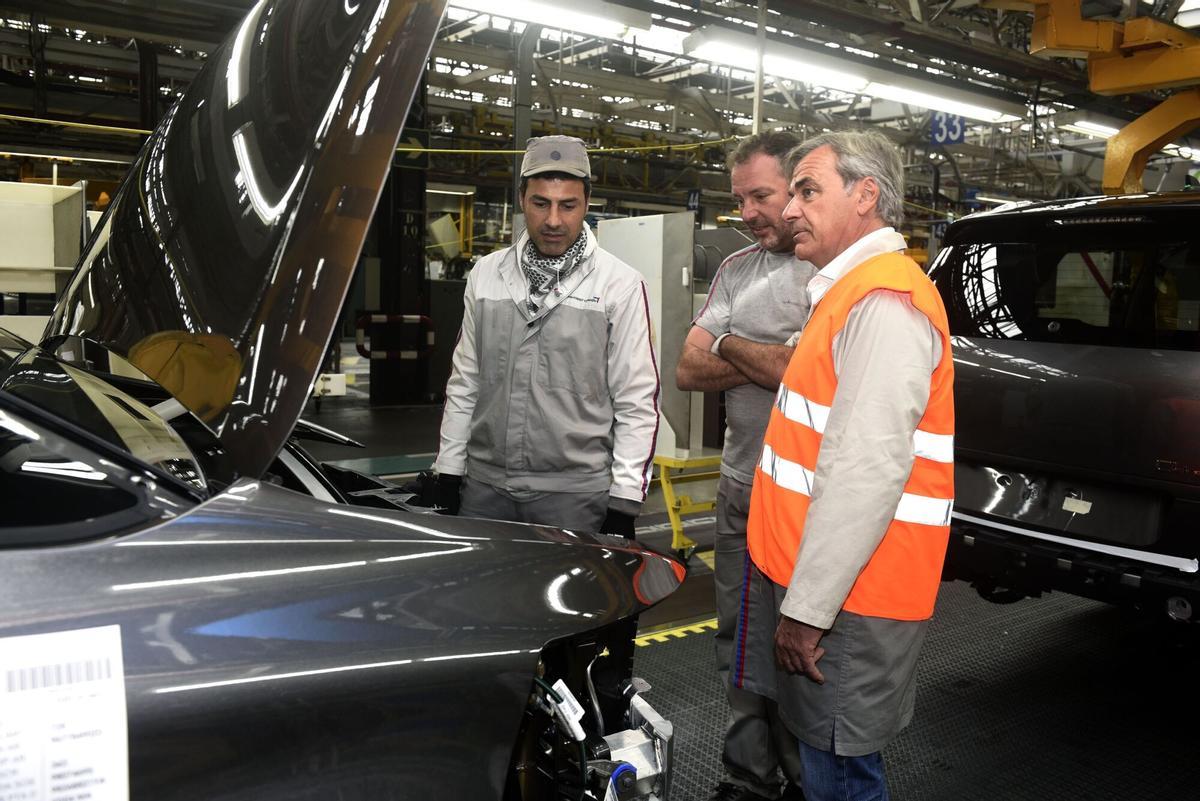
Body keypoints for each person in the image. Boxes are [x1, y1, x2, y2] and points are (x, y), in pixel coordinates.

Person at [739, 129, 955, 801]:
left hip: (851, 601)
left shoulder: (884, 303)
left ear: (866, 195)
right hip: (831, 587)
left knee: (838, 775)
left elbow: (865, 472)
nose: (791, 209)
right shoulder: (846, 292)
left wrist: (807, 611)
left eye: (808, 190)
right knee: (824, 763)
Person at [676, 131, 815, 801]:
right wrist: (759, 352)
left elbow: (801, 374)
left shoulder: (829, 270)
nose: (750, 212)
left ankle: (799, 777)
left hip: (803, 497)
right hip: (739, 487)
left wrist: (729, 342)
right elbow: (685, 366)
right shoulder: (736, 269)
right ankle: (746, 776)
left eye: (761, 194)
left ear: (801, 187)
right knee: (737, 636)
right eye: (740, 200)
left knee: (797, 643)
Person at [432, 135, 660, 536]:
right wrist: (449, 470)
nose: (554, 220)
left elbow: (636, 399)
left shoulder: (619, 286)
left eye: (568, 205)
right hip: (485, 491)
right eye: (541, 203)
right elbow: (465, 382)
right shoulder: (487, 274)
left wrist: (624, 501)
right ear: (522, 199)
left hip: (575, 497)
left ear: (587, 204)